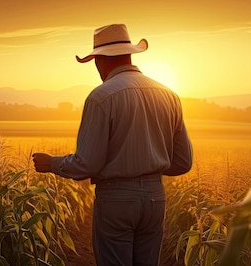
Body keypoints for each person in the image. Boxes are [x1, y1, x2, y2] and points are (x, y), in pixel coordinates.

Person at [32, 24, 192, 266]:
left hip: (116, 199)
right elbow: (183, 162)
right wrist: (148, 168)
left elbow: (88, 163)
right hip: (155, 198)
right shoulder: (168, 95)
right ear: (129, 54)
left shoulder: (101, 97)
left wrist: (51, 163)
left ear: (99, 61)